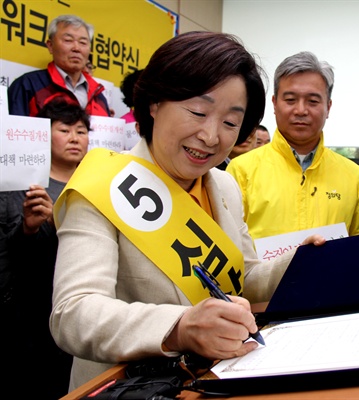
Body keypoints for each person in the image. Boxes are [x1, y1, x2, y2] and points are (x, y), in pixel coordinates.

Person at [48, 31, 325, 391]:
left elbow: (238, 277)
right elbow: (74, 314)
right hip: (131, 387)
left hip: (215, 379)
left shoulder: (223, 186)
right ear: (154, 104)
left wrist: (298, 262)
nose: (211, 137)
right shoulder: (104, 185)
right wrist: (180, 327)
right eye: (197, 112)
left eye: (229, 123)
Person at [0, 99, 90, 398]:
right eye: (65, 130)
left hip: (83, 305)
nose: (75, 138)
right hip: (35, 310)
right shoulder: (24, 188)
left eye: (82, 130)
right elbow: (14, 254)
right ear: (43, 135)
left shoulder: (94, 185)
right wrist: (31, 227)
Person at [226, 51, 359, 240]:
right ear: (275, 104)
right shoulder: (240, 171)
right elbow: (227, 244)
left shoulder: (354, 177)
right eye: (290, 100)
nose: (301, 110)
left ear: (328, 107)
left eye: (313, 101)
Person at [7, 14, 111, 117]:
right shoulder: (28, 86)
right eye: (68, 40)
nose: (76, 48)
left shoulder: (99, 95)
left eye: (83, 42)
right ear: (50, 46)